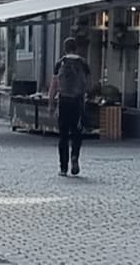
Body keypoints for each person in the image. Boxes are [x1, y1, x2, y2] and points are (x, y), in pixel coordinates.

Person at [49, 37, 91, 177]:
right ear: (76, 48)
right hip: (77, 102)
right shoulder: (83, 63)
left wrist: (51, 103)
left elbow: (54, 85)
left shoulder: (60, 63)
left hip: (64, 101)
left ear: (65, 49)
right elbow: (88, 85)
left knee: (63, 135)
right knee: (77, 133)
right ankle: (74, 157)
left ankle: (63, 167)